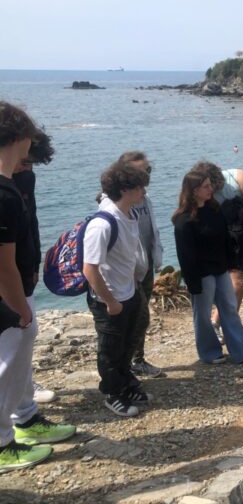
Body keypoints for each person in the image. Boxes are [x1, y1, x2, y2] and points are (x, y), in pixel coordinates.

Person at [0, 103, 75, 472]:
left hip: (20, 281)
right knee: (7, 360)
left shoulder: (16, 185)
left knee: (17, 357)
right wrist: (18, 306)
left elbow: (25, 230)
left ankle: (25, 419)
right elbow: (3, 262)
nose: (27, 168)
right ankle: (3, 443)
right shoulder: (3, 192)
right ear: (20, 139)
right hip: (9, 292)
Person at [83, 161, 155, 417]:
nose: (144, 192)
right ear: (124, 190)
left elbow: (127, 254)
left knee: (129, 342)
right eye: (140, 187)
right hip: (109, 299)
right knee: (110, 350)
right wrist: (110, 301)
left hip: (129, 291)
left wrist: (134, 281)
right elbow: (89, 269)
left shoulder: (130, 215)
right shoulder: (102, 224)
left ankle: (126, 384)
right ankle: (112, 393)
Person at [173, 171, 243, 365]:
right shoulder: (183, 220)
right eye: (206, 186)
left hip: (220, 269)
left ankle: (242, 351)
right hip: (202, 274)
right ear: (194, 191)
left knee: (229, 308)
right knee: (203, 315)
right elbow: (185, 255)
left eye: (210, 185)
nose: (211, 189)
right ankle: (210, 352)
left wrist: (231, 262)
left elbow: (225, 239)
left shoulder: (214, 210)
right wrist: (192, 282)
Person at [12, 132, 58, 403]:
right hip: (7, 271)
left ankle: (24, 385)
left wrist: (34, 262)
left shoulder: (25, 179)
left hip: (22, 266)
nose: (25, 168)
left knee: (24, 334)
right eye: (24, 161)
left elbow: (32, 222)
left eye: (30, 164)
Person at [192, 162, 243, 343]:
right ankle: (220, 321)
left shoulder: (237, 177)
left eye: (214, 185)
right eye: (208, 186)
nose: (212, 189)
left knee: (239, 282)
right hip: (218, 240)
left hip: (240, 237)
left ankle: (226, 321)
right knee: (232, 284)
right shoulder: (201, 191)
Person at [117, 151, 165, 379]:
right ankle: (125, 364)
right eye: (141, 171)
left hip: (145, 266)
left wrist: (156, 257)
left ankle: (137, 360)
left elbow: (151, 231)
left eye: (148, 170)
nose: (146, 175)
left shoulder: (145, 199)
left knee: (141, 317)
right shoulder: (118, 202)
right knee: (137, 317)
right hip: (130, 270)